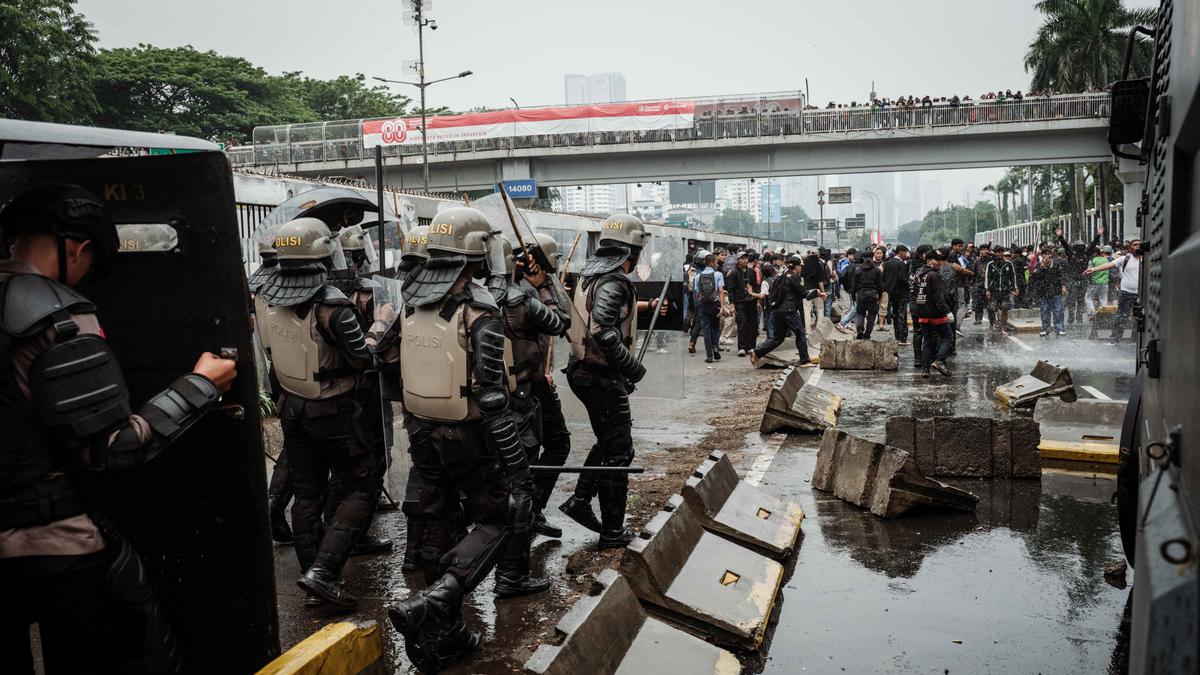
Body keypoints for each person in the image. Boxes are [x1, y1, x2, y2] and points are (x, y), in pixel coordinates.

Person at [1, 183, 237, 672]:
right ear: (77, 247)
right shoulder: (59, 317)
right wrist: (201, 385)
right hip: (53, 544)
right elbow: (113, 448)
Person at [387, 207, 533, 671]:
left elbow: (386, 355)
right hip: (468, 434)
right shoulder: (480, 313)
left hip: (422, 428)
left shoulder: (413, 303)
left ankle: (441, 635)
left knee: (438, 519)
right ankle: (439, 599)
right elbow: (492, 397)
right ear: (476, 255)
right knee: (502, 515)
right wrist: (517, 466)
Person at [256, 217, 379, 609]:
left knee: (307, 493)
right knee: (361, 485)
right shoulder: (332, 307)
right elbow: (361, 359)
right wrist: (377, 331)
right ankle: (323, 572)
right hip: (335, 412)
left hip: (293, 409)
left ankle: (314, 577)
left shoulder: (269, 299)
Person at [559, 214, 657, 549]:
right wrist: (632, 369)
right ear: (633, 250)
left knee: (608, 441)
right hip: (598, 375)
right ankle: (612, 532)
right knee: (619, 452)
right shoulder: (614, 280)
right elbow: (603, 331)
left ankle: (581, 501)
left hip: (586, 371)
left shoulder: (590, 273)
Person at [494, 233, 573, 553]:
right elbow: (561, 321)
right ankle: (519, 527)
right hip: (521, 387)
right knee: (526, 458)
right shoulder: (520, 297)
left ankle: (531, 511)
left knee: (553, 445)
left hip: (530, 380)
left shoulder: (501, 292)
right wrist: (543, 285)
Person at [749, 254, 821, 367]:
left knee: (778, 338)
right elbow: (802, 293)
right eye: (800, 266)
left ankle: (756, 352)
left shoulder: (781, 275)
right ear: (796, 267)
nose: (801, 268)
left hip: (777, 310)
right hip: (788, 311)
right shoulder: (794, 276)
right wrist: (817, 293)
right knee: (801, 333)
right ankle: (805, 361)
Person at [1085, 239, 1142, 343]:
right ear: (1130, 247)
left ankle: (1135, 339)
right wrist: (1093, 269)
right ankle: (1115, 338)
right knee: (1121, 316)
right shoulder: (1125, 259)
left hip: (1141, 294)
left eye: (1139, 244)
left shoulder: (1147, 259)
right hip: (1126, 293)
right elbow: (1109, 265)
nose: (1138, 246)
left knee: (1138, 317)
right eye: (1135, 244)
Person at [911, 247, 953, 377]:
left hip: (922, 312)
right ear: (928, 260)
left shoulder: (918, 273)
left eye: (940, 260)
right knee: (948, 337)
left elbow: (915, 292)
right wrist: (947, 311)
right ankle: (939, 360)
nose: (939, 262)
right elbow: (938, 296)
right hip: (936, 312)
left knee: (927, 340)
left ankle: (925, 370)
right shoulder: (934, 275)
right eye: (936, 260)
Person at [693, 253, 725, 363]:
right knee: (716, 327)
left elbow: (697, 293)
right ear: (711, 263)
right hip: (715, 304)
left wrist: (700, 304)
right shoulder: (718, 274)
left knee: (706, 330)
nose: (716, 264)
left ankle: (709, 356)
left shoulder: (698, 276)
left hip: (703, 305)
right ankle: (715, 346)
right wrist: (721, 307)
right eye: (715, 262)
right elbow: (721, 291)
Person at [1029, 247, 1068, 337]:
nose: (1047, 256)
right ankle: (1045, 329)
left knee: (1058, 310)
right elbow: (1034, 276)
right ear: (1042, 255)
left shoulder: (1056, 264)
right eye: (1044, 254)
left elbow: (1061, 276)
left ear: (1051, 255)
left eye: (1048, 254)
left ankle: (1059, 329)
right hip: (1044, 292)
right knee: (1045, 311)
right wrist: (1042, 267)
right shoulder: (1038, 265)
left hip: (1056, 291)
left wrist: (1063, 286)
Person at [726, 251, 758, 356]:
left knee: (753, 325)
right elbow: (731, 289)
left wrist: (758, 301)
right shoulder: (734, 273)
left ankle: (752, 346)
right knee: (742, 324)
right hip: (740, 302)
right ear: (738, 260)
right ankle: (742, 347)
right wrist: (732, 304)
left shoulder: (752, 272)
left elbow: (756, 287)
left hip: (752, 301)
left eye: (746, 258)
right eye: (742, 258)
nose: (744, 260)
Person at [984, 247, 1019, 338]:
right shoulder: (990, 264)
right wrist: (987, 289)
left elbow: (1013, 276)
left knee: (1004, 309)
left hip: (1005, 291)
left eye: (1001, 252)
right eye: (997, 252)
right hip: (994, 291)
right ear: (994, 253)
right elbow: (988, 277)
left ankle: (1003, 328)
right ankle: (991, 326)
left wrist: (1014, 288)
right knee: (991, 309)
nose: (999, 254)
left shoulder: (1008, 264)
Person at [881, 244, 911, 344]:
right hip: (901, 293)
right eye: (905, 252)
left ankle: (897, 337)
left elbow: (884, 278)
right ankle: (903, 338)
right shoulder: (901, 263)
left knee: (895, 314)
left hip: (891, 293)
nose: (906, 254)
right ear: (901, 252)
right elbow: (902, 278)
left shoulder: (887, 263)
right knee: (902, 315)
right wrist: (909, 284)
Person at [853, 247, 884, 339]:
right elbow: (880, 285)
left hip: (861, 294)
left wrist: (853, 295)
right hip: (873, 294)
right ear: (872, 257)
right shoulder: (877, 270)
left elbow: (854, 285)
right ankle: (867, 334)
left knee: (860, 313)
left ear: (863, 258)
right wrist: (880, 295)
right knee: (872, 315)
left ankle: (860, 330)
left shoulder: (858, 270)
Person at [1085, 244, 1113, 314]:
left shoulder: (1092, 260)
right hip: (1105, 283)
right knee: (1103, 299)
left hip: (1094, 283)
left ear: (1094, 253)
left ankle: (1092, 311)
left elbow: (1089, 271)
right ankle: (1104, 313)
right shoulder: (1106, 260)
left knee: (1088, 298)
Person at [969, 244, 992, 325]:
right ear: (980, 251)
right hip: (979, 285)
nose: (984, 252)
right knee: (978, 303)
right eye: (982, 250)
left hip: (990, 285)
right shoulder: (977, 261)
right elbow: (973, 273)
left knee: (991, 303)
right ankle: (978, 318)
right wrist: (972, 284)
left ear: (988, 251)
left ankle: (992, 319)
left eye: (986, 250)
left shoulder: (992, 260)